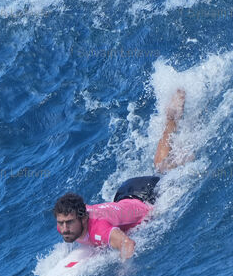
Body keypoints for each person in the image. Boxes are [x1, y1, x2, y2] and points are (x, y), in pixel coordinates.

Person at [52, 88, 191, 259]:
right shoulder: (71, 218)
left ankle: (174, 124)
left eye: (69, 223)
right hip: (125, 192)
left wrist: (124, 269)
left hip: (146, 195)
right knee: (159, 167)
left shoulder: (99, 229)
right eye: (61, 223)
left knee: (166, 169)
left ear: (83, 218)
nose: (64, 229)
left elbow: (128, 243)